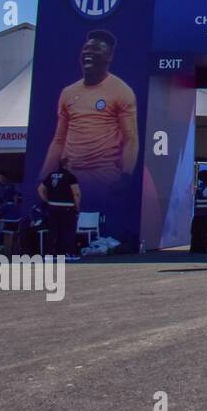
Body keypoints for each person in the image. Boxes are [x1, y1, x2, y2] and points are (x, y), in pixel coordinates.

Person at [38, 29, 139, 195]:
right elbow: (58, 140)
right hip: (70, 177)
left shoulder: (122, 91)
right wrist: (43, 178)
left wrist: (126, 175)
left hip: (103, 175)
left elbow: (131, 138)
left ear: (109, 57)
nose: (88, 53)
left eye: (96, 50)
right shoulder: (68, 93)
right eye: (86, 49)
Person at [38, 157, 81, 261]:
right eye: (70, 164)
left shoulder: (51, 175)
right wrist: (77, 207)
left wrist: (48, 201)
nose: (72, 166)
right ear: (66, 165)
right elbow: (76, 193)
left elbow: (40, 189)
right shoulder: (70, 177)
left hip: (53, 208)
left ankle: (49, 254)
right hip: (67, 208)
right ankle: (67, 253)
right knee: (67, 231)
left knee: (53, 231)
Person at [191, 169, 207, 253]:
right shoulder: (206, 188)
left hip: (198, 214)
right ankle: (204, 248)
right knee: (205, 231)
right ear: (205, 177)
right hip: (204, 215)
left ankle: (195, 248)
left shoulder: (199, 187)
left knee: (197, 232)